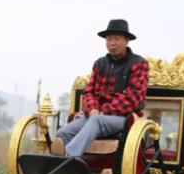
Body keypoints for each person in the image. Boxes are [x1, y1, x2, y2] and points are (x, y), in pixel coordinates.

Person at [52, 19, 149, 157]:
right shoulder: (100, 64)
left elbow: (134, 99)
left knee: (96, 120)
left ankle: (68, 156)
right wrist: (92, 108)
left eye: (117, 39)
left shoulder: (139, 64)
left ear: (126, 41)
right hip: (96, 116)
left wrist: (104, 111)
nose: (112, 43)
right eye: (109, 39)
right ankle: (63, 164)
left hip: (125, 118)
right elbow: (88, 92)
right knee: (63, 133)